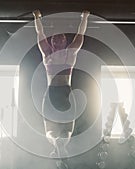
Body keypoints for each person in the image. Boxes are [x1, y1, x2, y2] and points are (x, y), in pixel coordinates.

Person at [33, 10, 89, 157]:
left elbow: (40, 33)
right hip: (64, 92)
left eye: (59, 38)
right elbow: (80, 34)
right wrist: (84, 17)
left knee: (51, 130)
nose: (57, 40)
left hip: (54, 92)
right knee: (66, 130)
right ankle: (60, 143)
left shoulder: (49, 54)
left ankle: (57, 142)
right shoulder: (69, 54)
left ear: (62, 42)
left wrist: (37, 17)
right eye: (56, 39)